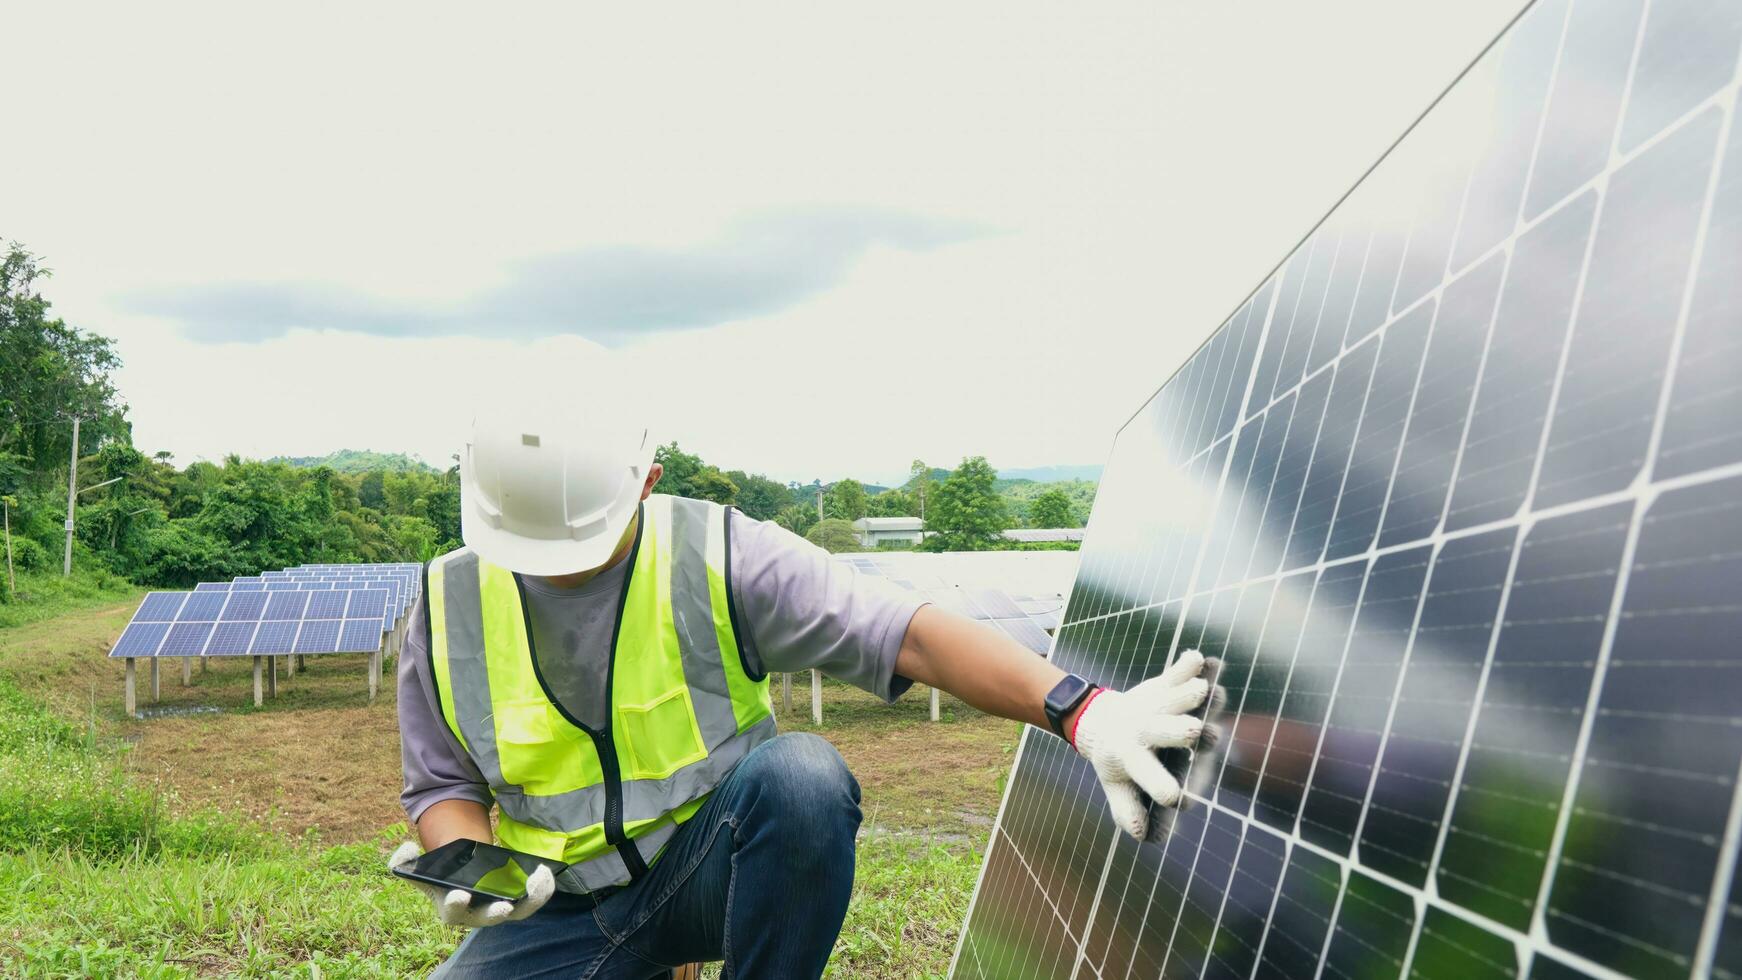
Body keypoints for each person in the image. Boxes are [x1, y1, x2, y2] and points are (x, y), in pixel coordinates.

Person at [389, 391, 1218, 979]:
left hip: (709, 875)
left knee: (802, 778)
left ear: (648, 481)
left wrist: (1084, 712)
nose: (557, 576)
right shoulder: (447, 605)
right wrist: (470, 870)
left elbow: (911, 634)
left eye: (580, 549)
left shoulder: (718, 554)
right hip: (559, 908)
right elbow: (441, 784)